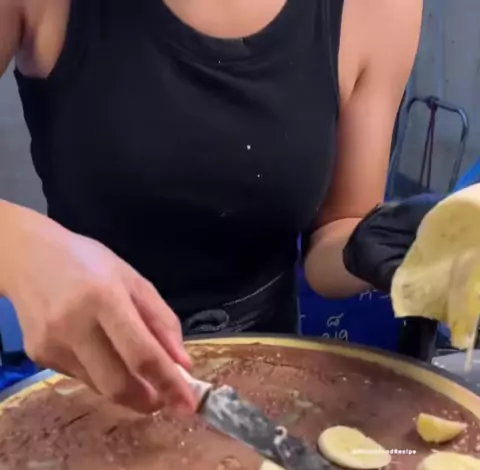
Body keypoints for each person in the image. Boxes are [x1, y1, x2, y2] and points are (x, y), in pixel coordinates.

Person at [0, 0, 423, 413]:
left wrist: (372, 244)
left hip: (267, 382)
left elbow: (336, 233)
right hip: (95, 376)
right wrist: (24, 250)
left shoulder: (380, 8)